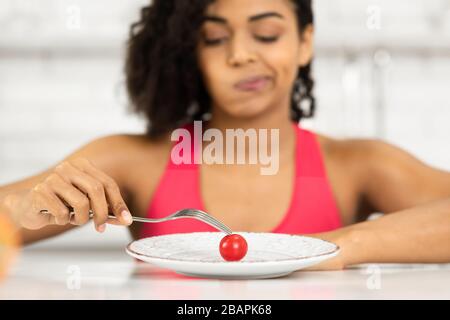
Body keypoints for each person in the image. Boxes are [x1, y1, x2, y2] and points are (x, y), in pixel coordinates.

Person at [0, 0, 449, 270]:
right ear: (188, 53)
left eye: (267, 34)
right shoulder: (134, 159)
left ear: (305, 42)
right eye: (214, 39)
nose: (240, 55)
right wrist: (26, 210)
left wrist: (338, 248)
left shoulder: (358, 164)